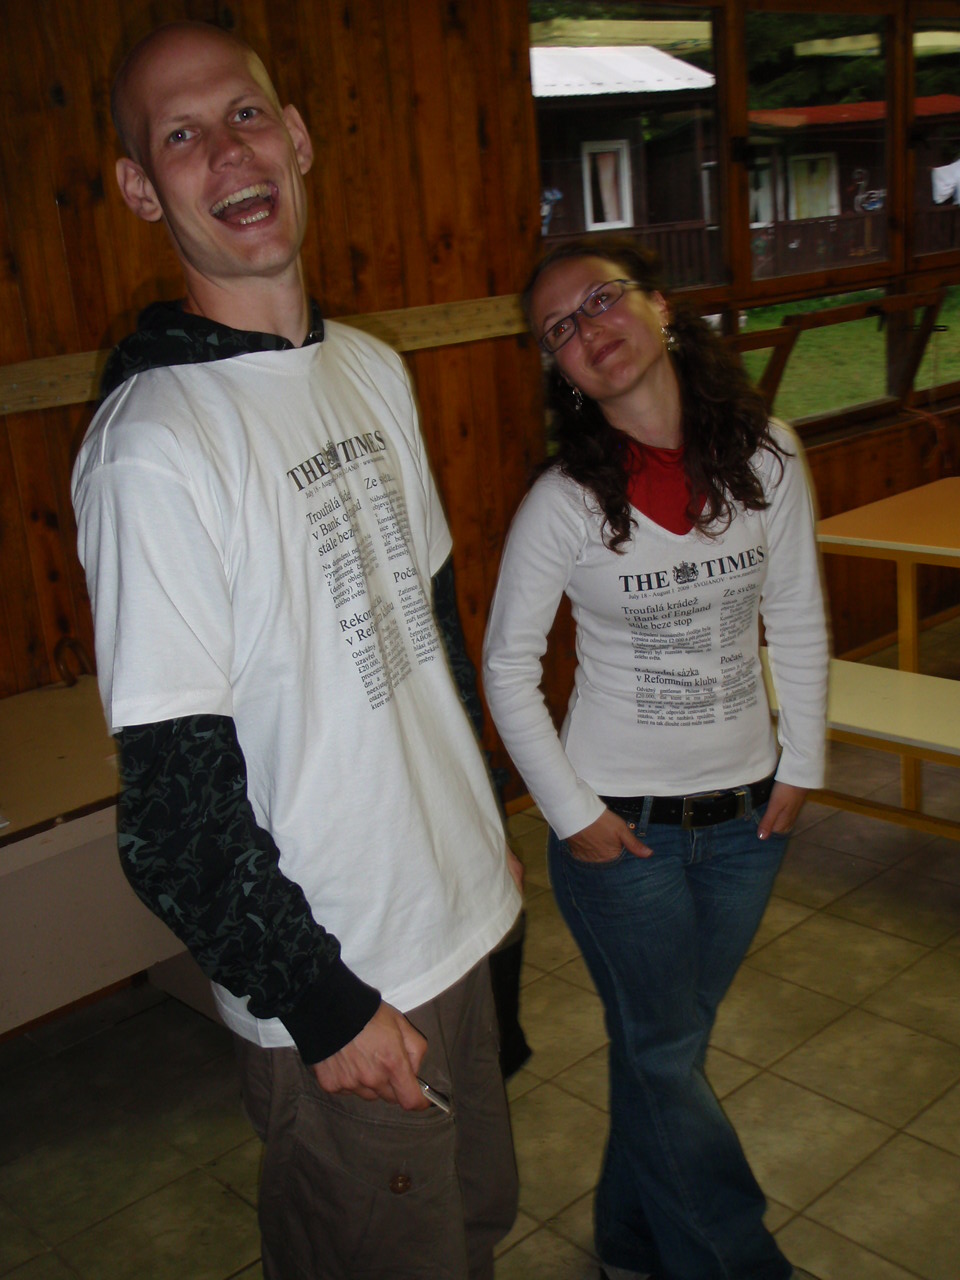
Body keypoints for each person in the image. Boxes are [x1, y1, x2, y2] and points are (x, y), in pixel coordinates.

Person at [72, 22, 522, 1280]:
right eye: (181, 135)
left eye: (246, 114)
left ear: (300, 139)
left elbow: (427, 640)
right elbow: (172, 816)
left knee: (475, 1232)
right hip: (346, 976)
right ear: (140, 188)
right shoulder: (154, 447)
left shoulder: (373, 369)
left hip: (462, 919)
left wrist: (484, 838)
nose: (227, 150)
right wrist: (322, 1005)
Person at [483, 236, 829, 1280]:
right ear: (559, 367)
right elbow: (505, 668)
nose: (588, 330)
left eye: (602, 299)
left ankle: (630, 1241)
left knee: (662, 1049)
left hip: (748, 820)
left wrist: (801, 762)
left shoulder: (769, 456)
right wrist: (571, 814)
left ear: (661, 307)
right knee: (667, 1053)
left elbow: (796, 616)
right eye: (560, 327)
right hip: (620, 832)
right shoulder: (564, 501)